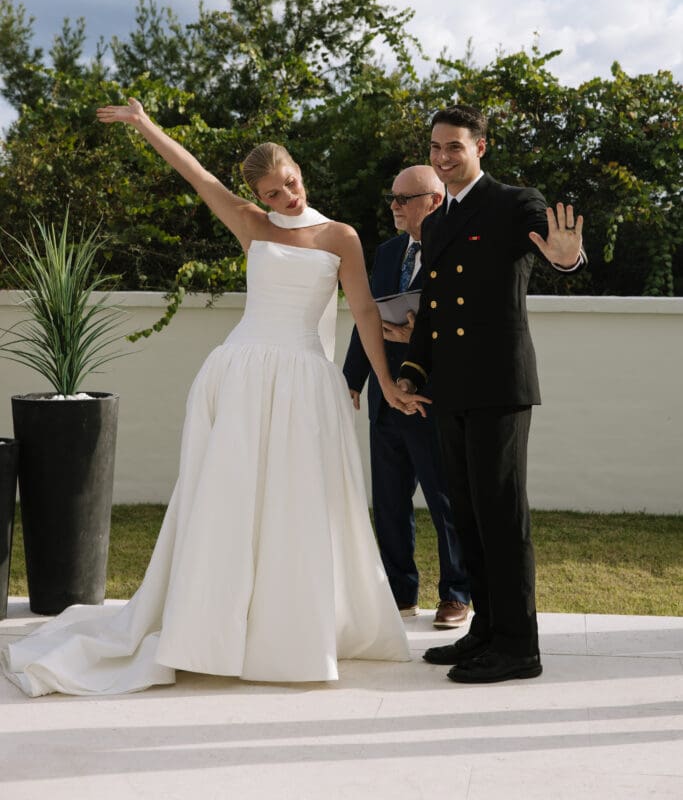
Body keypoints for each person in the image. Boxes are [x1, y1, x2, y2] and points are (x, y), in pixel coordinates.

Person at [1, 97, 428, 697]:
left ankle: (291, 633)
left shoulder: (342, 236)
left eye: (290, 184)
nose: (287, 199)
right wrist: (146, 125)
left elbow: (362, 313)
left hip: (306, 378)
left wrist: (384, 382)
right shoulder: (252, 224)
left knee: (300, 503)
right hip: (243, 372)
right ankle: (212, 630)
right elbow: (195, 173)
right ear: (258, 195)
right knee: (229, 500)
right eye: (274, 194)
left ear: (298, 169)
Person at [397, 104, 586, 685]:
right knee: (467, 515)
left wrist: (566, 256)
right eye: (435, 147)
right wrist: (413, 371)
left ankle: (518, 645)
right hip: (452, 388)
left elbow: (557, 249)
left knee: (502, 516)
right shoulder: (437, 219)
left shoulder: (512, 202)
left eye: (454, 146)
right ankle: (486, 629)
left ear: (482, 147)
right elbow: (432, 306)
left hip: (498, 384)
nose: (442, 157)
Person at [343, 165, 470, 628]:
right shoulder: (387, 252)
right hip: (384, 396)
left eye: (404, 198)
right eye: (392, 198)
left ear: (434, 201)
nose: (394, 206)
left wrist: (422, 338)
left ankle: (457, 592)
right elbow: (366, 318)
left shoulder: (455, 252)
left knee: (445, 498)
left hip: (433, 397)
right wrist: (352, 379)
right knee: (390, 502)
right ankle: (399, 594)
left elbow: (467, 325)